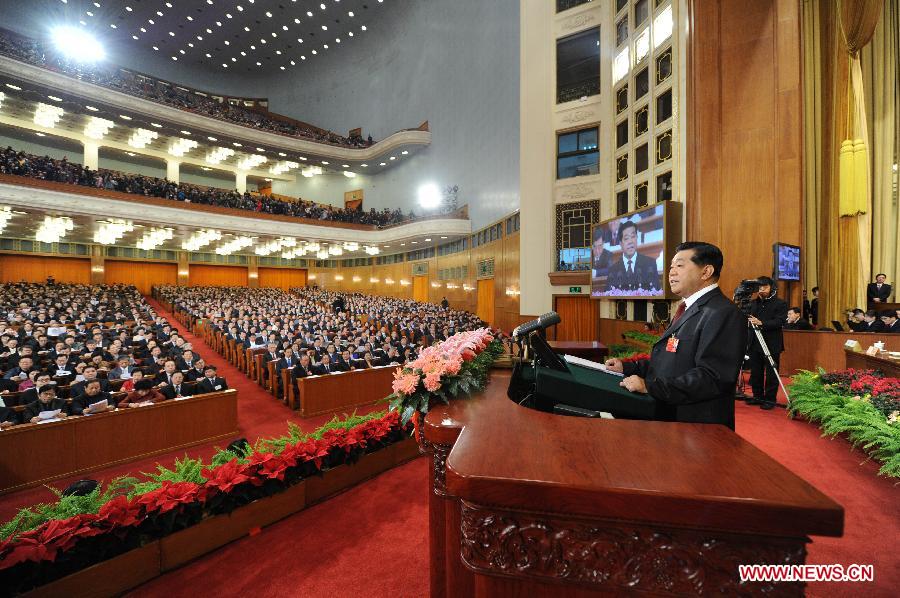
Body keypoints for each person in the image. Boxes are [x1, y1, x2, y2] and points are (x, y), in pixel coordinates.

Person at [604, 241, 747, 429]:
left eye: (679, 265)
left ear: (706, 272)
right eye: (671, 266)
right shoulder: (689, 309)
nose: (671, 272)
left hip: (697, 428)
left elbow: (712, 377)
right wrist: (628, 366)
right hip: (671, 418)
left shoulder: (722, 313)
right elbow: (670, 361)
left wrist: (651, 387)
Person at [747, 276, 788, 410]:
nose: (762, 290)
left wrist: (762, 323)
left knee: (771, 373)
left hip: (771, 343)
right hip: (755, 342)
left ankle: (770, 399)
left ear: (772, 288)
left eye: (765, 287)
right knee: (756, 372)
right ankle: (757, 396)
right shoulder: (753, 303)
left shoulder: (780, 303)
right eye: (759, 287)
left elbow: (780, 321)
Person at [605, 221, 659, 292]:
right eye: (626, 238)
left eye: (633, 237)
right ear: (620, 244)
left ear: (637, 238)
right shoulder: (612, 270)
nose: (630, 241)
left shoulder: (650, 263)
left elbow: (657, 292)